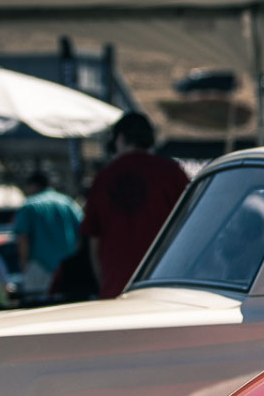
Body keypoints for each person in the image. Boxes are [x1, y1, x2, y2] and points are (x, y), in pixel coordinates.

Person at [80, 112, 189, 299]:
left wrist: (104, 283)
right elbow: (191, 226)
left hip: (116, 287)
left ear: (120, 138)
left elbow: (93, 240)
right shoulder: (171, 173)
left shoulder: (103, 178)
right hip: (165, 285)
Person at [14, 169, 83, 295]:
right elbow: (82, 232)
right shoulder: (68, 203)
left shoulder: (29, 206)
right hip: (67, 267)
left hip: (39, 266)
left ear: (33, 185)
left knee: (38, 308)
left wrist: (24, 263)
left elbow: (23, 238)